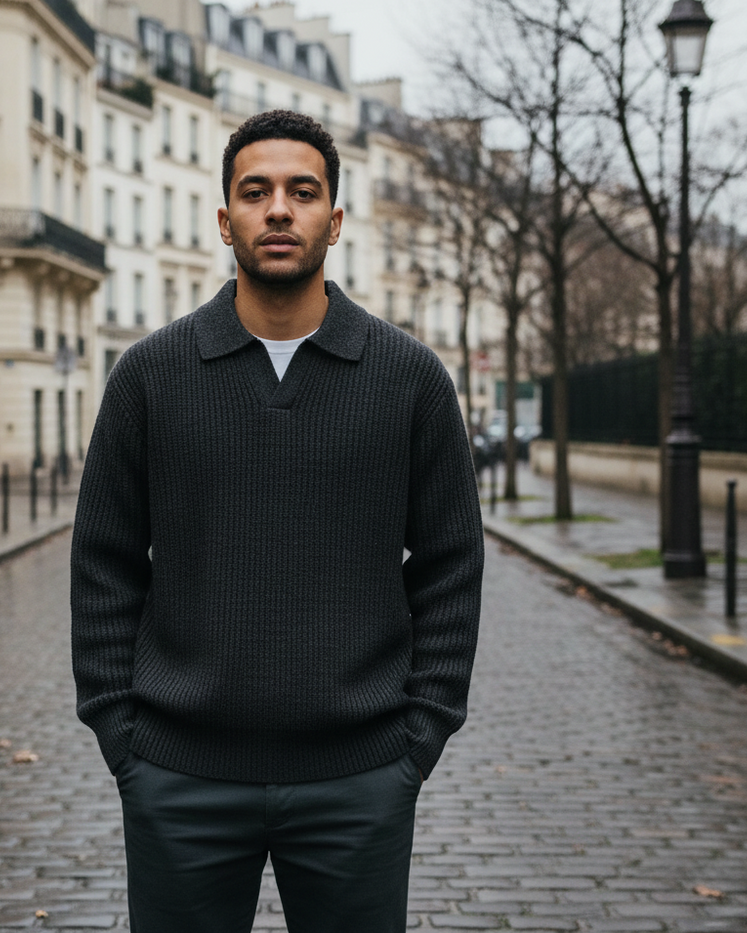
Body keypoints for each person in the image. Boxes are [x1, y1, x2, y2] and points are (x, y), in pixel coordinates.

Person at [70, 109, 484, 933]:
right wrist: (124, 739)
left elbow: (449, 565)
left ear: (335, 219)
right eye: (256, 192)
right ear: (225, 220)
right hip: (179, 781)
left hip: (358, 781)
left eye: (303, 191)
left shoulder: (410, 379)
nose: (280, 209)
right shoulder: (150, 377)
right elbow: (104, 564)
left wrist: (417, 741)